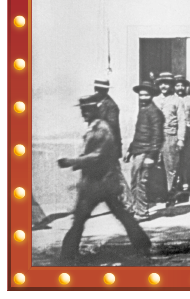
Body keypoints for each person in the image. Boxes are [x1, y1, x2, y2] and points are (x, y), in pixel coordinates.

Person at [57, 95, 151, 264]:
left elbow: (98, 155)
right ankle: (143, 245)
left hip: (100, 182)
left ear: (96, 111)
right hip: (96, 182)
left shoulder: (102, 128)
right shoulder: (93, 127)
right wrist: (79, 162)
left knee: (81, 218)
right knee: (118, 215)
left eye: (88, 110)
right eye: (82, 110)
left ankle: (67, 255)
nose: (84, 113)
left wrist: (73, 161)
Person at [123, 81, 165, 220]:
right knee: (135, 181)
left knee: (141, 182)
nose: (142, 98)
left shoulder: (154, 112)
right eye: (141, 95)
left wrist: (151, 155)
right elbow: (139, 133)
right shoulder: (143, 110)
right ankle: (135, 209)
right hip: (138, 150)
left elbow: (157, 136)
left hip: (146, 152)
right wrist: (130, 150)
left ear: (151, 95)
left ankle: (142, 212)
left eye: (146, 95)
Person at [94, 78, 134, 214]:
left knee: (116, 175)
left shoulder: (111, 106)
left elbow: (112, 128)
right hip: (100, 146)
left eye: (101, 89)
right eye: (96, 89)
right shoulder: (97, 104)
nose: (97, 91)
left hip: (109, 147)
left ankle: (129, 203)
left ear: (106, 90)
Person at [153, 72, 186, 207]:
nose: (163, 86)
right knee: (156, 165)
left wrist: (180, 139)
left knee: (171, 167)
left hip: (170, 137)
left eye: (166, 83)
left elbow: (181, 121)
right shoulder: (154, 100)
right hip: (156, 138)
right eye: (161, 83)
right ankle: (159, 194)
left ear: (171, 85)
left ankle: (170, 195)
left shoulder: (177, 101)